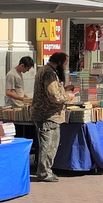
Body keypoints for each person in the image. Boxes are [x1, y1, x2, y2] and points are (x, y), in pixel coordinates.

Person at [32, 52, 75, 182]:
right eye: (65, 64)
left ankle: (46, 171)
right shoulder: (49, 73)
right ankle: (44, 172)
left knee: (51, 145)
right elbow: (54, 96)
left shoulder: (48, 71)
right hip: (48, 115)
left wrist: (64, 89)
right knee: (49, 145)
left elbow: (53, 91)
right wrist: (68, 97)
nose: (66, 67)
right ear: (60, 62)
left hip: (50, 115)